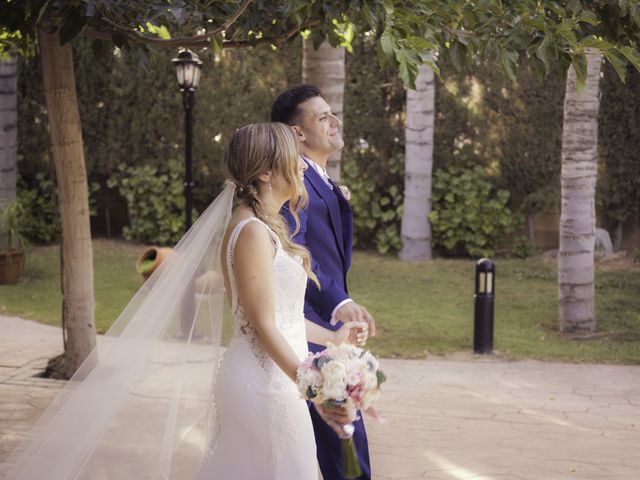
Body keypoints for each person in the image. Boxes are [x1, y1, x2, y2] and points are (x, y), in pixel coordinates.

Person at [5, 123, 364, 480]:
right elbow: (263, 324)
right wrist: (316, 388)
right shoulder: (252, 232)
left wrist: (333, 338)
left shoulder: (262, 227)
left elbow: (279, 315)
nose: (303, 166)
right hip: (267, 386)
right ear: (268, 172)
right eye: (294, 159)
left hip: (276, 380)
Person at [273, 85, 376, 480]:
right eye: (323, 116)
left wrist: (338, 197)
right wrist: (336, 303)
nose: (335, 122)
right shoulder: (292, 180)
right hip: (306, 329)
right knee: (344, 445)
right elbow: (296, 256)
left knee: (341, 444)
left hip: (328, 330)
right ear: (298, 133)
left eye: (332, 114)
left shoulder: (320, 180)